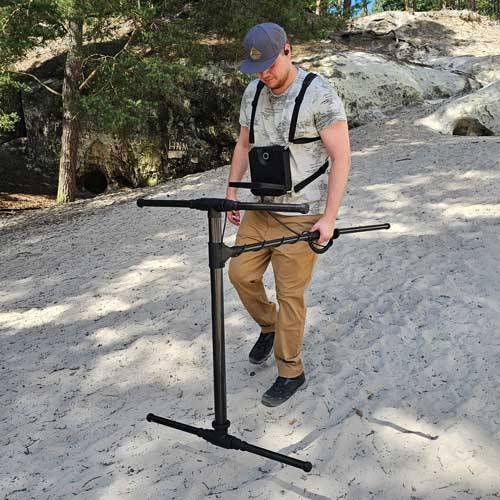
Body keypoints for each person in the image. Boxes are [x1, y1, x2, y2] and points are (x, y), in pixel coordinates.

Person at [226, 22, 351, 407]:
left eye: (270, 65)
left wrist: (329, 218)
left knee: (290, 294)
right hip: (260, 207)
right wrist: (231, 190)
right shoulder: (253, 92)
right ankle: (269, 325)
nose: (265, 74)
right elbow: (243, 144)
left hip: (302, 213)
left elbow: (341, 158)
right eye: (257, 69)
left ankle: (291, 371)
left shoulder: (319, 94)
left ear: (288, 51)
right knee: (239, 274)